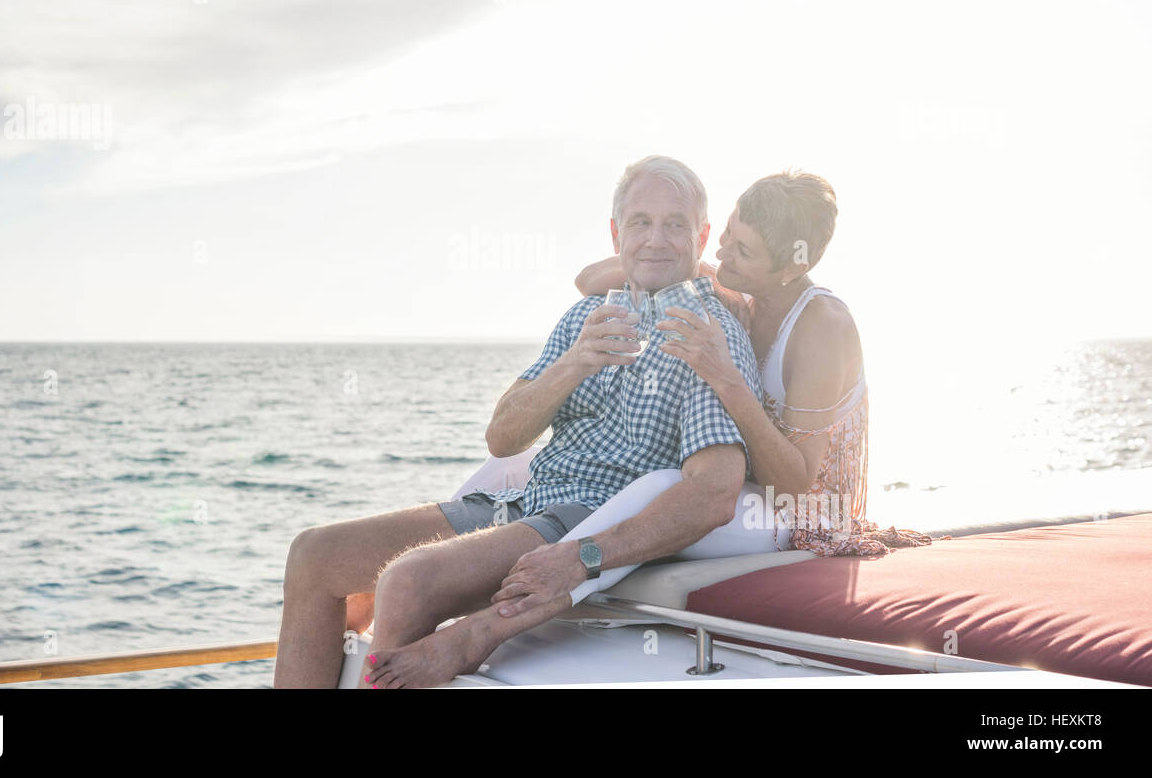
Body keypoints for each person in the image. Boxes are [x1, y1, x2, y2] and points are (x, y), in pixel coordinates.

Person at [364, 170, 932, 689]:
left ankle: (483, 629)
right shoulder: (738, 286)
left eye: (743, 252)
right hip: (750, 486)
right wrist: (653, 258)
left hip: (801, 512)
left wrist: (726, 380)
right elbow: (589, 276)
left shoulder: (822, 326)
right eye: (726, 236)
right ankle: (432, 565)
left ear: (790, 267)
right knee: (512, 465)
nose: (723, 256)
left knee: (661, 486)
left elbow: (799, 482)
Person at [274, 155, 765, 688]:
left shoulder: (707, 334)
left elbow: (715, 491)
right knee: (312, 555)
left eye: (676, 224)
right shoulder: (586, 315)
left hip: (581, 519)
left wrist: (586, 555)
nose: (656, 240)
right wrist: (575, 361)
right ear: (615, 232)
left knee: (407, 582)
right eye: (641, 222)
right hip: (520, 503)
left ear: (702, 235)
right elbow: (503, 436)